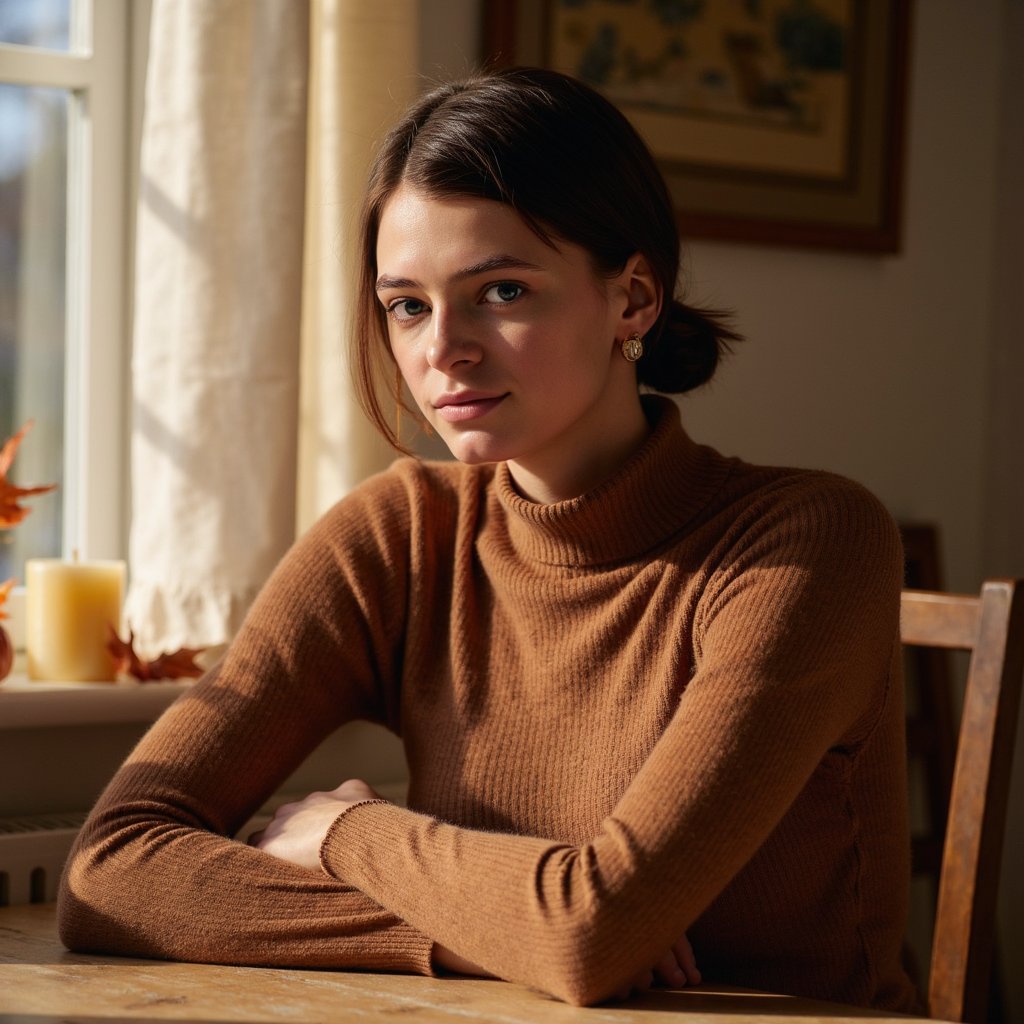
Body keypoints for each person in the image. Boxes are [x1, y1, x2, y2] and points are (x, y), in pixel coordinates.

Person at [58, 67, 920, 1012]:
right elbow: (111, 869)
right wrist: (502, 934)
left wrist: (348, 834)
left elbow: (595, 928)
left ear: (633, 299)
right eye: (407, 305)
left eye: (500, 290)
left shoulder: (808, 543)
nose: (443, 351)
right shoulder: (401, 533)